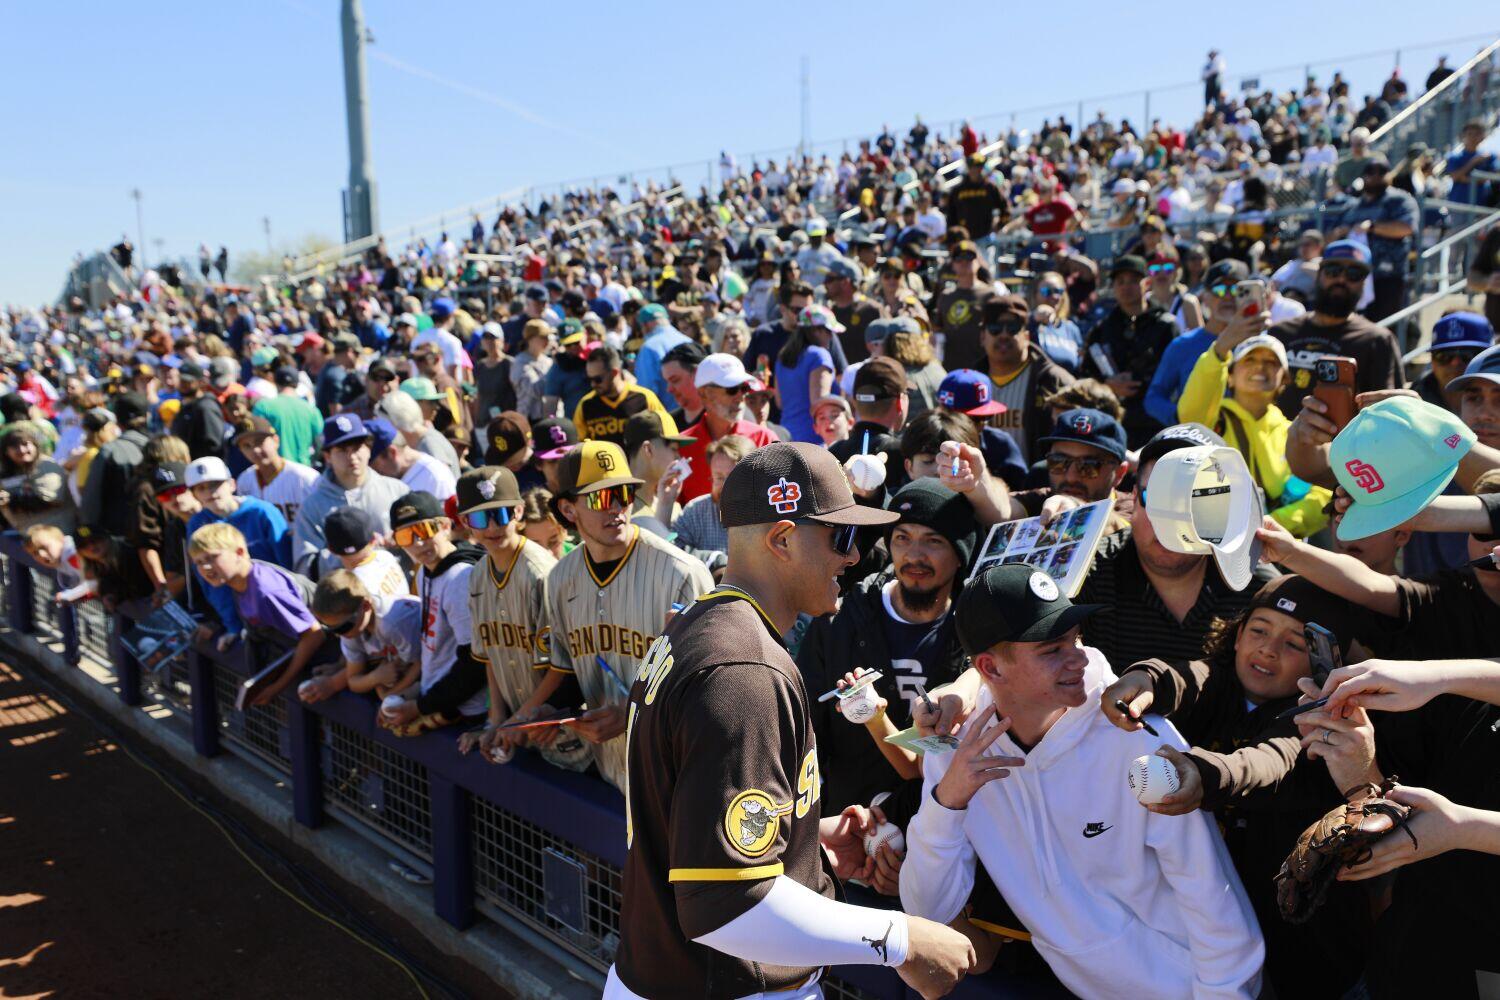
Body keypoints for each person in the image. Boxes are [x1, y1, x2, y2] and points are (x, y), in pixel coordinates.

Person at [609, 441, 976, 1000]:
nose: (854, 558)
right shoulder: (743, 668)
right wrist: (901, 937)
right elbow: (727, 907)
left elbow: (695, 834)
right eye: (840, 537)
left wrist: (808, 846)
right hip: (718, 986)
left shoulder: (702, 625)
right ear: (782, 539)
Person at [900, 563, 1264, 999]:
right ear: (990, 669)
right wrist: (948, 803)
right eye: (1053, 649)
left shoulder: (1135, 736)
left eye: (1076, 638)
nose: (1080, 658)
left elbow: (1209, 891)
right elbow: (928, 910)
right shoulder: (958, 750)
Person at [799, 477, 976, 817]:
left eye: (933, 541)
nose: (914, 555)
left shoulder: (977, 629)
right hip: (851, 823)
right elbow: (805, 732)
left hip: (950, 824)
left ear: (959, 554)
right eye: (901, 538)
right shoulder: (839, 622)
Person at [544, 441, 714, 793]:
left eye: (623, 494)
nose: (618, 508)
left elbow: (709, 690)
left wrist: (631, 713)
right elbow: (567, 672)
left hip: (676, 778)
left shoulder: (681, 573)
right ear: (568, 508)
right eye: (600, 498)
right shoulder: (560, 579)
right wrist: (540, 715)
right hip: (608, 772)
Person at [455, 467, 590, 770]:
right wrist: (497, 719)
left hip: (559, 729)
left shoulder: (540, 573)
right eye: (479, 517)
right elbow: (489, 656)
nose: (491, 526)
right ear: (465, 523)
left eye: (500, 514)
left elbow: (561, 666)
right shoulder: (477, 577)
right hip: (517, 728)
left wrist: (519, 720)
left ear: (518, 512)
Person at [1177, 332, 1332, 536]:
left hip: (1276, 548)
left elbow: (1322, 495)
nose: (1260, 366)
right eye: (1249, 359)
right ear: (1229, 377)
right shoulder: (1209, 421)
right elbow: (1189, 412)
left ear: (1284, 379)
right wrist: (1219, 351)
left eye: (1271, 361)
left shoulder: (1295, 433)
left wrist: (1272, 525)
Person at [378, 491, 489, 734]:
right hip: (440, 699)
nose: (418, 543)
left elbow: (476, 663)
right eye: (406, 536)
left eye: (425, 530)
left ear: (446, 526)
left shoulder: (461, 577)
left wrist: (419, 706)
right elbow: (437, 649)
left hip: (469, 712)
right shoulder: (424, 571)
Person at [188, 522, 328, 707]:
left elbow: (314, 635)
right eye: (198, 562)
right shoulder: (241, 581)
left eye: (212, 557)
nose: (205, 567)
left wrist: (277, 687)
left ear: (239, 553)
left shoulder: (266, 591)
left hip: (329, 662)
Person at [1270, 240, 1404, 414]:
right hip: (1279, 439)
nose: (1341, 279)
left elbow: (1390, 409)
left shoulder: (1377, 341)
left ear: (1364, 283)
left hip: (1345, 441)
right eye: (1333, 271)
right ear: (1319, 275)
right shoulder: (1280, 333)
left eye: (1354, 274)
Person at [290, 415, 409, 577]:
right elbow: (306, 567)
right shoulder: (313, 506)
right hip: (347, 598)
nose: (352, 456)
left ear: (368, 449)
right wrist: (353, 552)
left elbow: (423, 546)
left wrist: (403, 539)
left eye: (357, 447)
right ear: (327, 457)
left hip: (397, 592)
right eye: (342, 450)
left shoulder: (397, 491)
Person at [1084, 255, 1178, 446]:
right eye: (1120, 281)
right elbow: (1086, 374)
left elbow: (1176, 373)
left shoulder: (1166, 325)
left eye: (1134, 281)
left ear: (1147, 284)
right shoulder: (1102, 329)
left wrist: (1141, 381)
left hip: (1156, 423)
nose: (1126, 287)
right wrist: (1108, 384)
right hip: (1113, 422)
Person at [973, 295, 1075, 465]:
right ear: (982, 337)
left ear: (1027, 336)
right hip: (980, 485)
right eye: (995, 328)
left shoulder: (1054, 381)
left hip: (1037, 487)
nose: (1004, 335)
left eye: (1013, 328)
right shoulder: (970, 382)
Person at [678, 354, 779, 502]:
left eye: (744, 388)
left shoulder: (765, 439)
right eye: (732, 389)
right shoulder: (682, 447)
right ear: (704, 393)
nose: (740, 396)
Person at [1327, 156, 1418, 321]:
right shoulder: (1352, 206)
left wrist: (1372, 227)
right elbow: (1329, 239)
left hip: (1388, 277)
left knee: (1388, 328)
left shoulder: (1399, 199)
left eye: (1382, 171)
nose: (1376, 176)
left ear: (1389, 174)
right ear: (1363, 176)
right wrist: (1340, 232)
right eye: (1370, 172)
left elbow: (1406, 228)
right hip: (1354, 279)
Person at [573, 345, 672, 447]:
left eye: (598, 379)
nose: (593, 384)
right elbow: (579, 446)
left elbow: (668, 433)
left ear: (614, 373)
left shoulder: (644, 397)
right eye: (589, 379)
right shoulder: (585, 405)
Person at [232, 416, 320, 526]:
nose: (255, 450)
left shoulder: (306, 478)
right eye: (247, 446)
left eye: (259, 442)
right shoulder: (244, 480)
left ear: (276, 441)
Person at [775, 305, 840, 444]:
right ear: (816, 330)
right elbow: (820, 404)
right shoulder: (819, 355)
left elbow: (779, 403)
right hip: (812, 442)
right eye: (828, 331)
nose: (831, 336)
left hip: (785, 437)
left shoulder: (782, 358)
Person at [929, 240, 994, 372]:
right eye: (959, 258)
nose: (964, 262)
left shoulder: (990, 294)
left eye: (969, 257)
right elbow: (937, 329)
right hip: (951, 368)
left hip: (982, 368)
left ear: (978, 262)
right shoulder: (945, 296)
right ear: (953, 264)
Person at [0, 426, 74, 534]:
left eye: (25, 444)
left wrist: (10, 500)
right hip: (28, 533)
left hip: (59, 530)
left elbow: (50, 499)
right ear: (6, 452)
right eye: (15, 447)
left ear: (35, 445)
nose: (22, 450)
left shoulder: (46, 466)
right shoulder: (7, 472)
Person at [368, 417, 458, 504]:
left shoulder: (435, 476)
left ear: (392, 453)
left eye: (374, 466)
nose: (374, 472)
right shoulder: (392, 479)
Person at [169, 361, 226, 460]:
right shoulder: (185, 406)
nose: (183, 384)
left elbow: (214, 445)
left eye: (188, 381)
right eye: (181, 380)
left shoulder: (206, 407)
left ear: (201, 382)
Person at [633, 303, 690, 400]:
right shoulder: (688, 340)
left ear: (645, 325)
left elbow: (646, 392)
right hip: (694, 411)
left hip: (667, 413)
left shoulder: (648, 348)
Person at [658, 341, 706, 429]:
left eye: (675, 380)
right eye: (667, 382)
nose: (669, 389)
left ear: (697, 374)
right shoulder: (669, 424)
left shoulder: (719, 420)